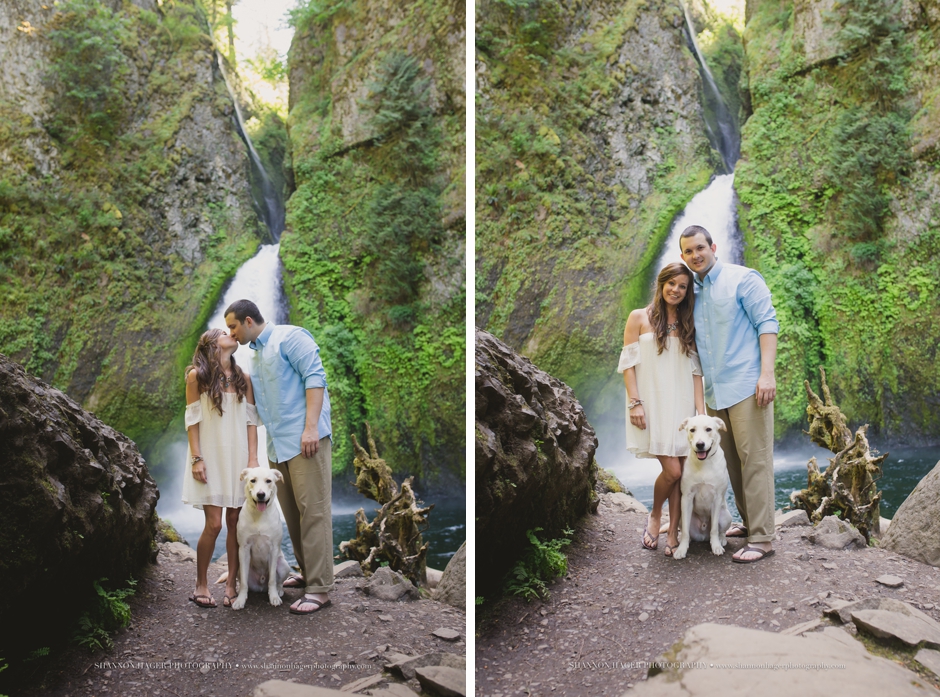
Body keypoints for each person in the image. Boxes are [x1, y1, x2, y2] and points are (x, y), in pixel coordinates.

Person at [224, 299, 334, 615]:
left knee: (313, 512)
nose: (231, 333)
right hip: (277, 446)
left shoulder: (291, 337)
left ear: (247, 321)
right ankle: (308, 572)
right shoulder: (255, 356)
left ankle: (320, 588)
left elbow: (316, 378)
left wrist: (311, 427)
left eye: (232, 326)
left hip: (305, 440)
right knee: (293, 513)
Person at [679, 225, 779, 563]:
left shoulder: (743, 278)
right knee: (731, 462)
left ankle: (763, 539)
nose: (695, 255)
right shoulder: (690, 290)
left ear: (713, 246)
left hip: (748, 384)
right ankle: (750, 524)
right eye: (689, 251)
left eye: (700, 248)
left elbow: (767, 323)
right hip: (714, 391)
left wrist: (768, 374)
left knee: (755, 460)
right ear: (683, 256)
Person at [619, 262, 705, 557]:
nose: (676, 290)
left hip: (681, 407)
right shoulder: (639, 317)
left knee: (681, 473)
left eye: (683, 286)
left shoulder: (688, 321)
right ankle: (656, 515)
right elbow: (628, 364)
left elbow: (695, 371)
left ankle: (674, 531)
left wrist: (700, 413)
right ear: (661, 283)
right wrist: (635, 402)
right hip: (651, 403)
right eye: (672, 284)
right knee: (673, 470)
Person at [183, 328, 261, 607]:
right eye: (223, 332)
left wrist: (253, 459)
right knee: (214, 524)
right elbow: (192, 421)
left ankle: (231, 585)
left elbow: (251, 422)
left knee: (234, 523)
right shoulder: (197, 377)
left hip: (239, 459)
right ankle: (201, 584)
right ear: (212, 345)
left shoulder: (244, 379)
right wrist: (196, 458)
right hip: (210, 456)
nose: (231, 333)